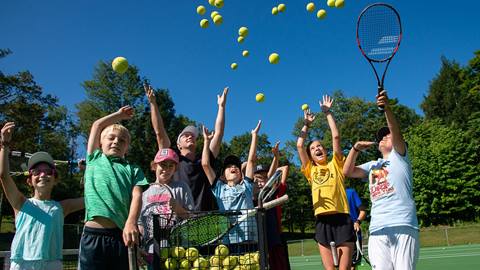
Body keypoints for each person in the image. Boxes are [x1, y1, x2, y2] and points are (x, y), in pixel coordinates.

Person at [343, 90, 419, 270]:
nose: (384, 137)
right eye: (382, 136)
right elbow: (347, 171)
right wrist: (355, 149)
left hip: (402, 224)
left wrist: (386, 108)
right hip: (377, 229)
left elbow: (395, 129)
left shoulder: (400, 156)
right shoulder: (373, 165)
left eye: (388, 135)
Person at [0, 122, 84, 270]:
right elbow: (3, 176)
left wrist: (88, 172)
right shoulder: (20, 203)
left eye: (48, 171)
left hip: (52, 264)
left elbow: (92, 199)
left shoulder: (62, 207)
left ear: (55, 179)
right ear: (29, 181)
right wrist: (4, 144)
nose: (43, 175)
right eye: (37, 172)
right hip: (22, 264)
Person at [78, 106, 149, 270]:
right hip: (92, 235)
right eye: (111, 138)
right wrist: (119, 115)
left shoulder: (133, 169)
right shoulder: (94, 158)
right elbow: (96, 125)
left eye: (122, 140)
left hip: (120, 236)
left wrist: (131, 222)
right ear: (100, 142)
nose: (116, 141)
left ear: (127, 148)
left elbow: (137, 196)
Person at [145, 83, 228, 211]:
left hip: (205, 218)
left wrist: (221, 107)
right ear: (178, 145)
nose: (190, 137)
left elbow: (219, 133)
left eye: (193, 136)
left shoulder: (205, 160)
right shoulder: (171, 161)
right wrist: (153, 104)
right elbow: (159, 133)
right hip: (180, 218)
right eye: (185, 135)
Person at [296, 95, 354, 270]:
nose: (317, 148)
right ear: (311, 156)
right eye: (313, 148)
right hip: (322, 222)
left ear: (325, 151)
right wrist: (306, 124)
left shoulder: (336, 164)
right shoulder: (310, 170)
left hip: (342, 218)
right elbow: (300, 145)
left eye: (319, 146)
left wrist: (327, 112)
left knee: (344, 269)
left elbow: (336, 136)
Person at [201, 121, 261, 244]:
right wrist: (206, 142)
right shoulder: (219, 188)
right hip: (229, 240)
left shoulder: (246, 186)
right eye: (228, 166)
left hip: (250, 238)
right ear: (223, 176)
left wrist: (254, 135)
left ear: (240, 173)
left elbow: (251, 161)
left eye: (236, 166)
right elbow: (205, 164)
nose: (233, 167)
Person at [138, 148, 194, 269]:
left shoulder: (181, 187)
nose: (166, 169)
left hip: (178, 250)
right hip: (151, 250)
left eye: (171, 166)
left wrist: (178, 209)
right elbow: (140, 225)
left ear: (175, 169)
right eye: (162, 165)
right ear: (154, 166)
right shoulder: (144, 192)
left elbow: (192, 218)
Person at [252, 142, 290, 270]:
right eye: (258, 177)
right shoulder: (250, 189)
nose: (261, 180)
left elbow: (275, 173)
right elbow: (245, 166)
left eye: (264, 177)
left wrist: (275, 157)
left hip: (273, 235)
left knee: (278, 264)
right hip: (256, 236)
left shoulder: (270, 189)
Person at [345, 186, 367, 269]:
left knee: (352, 266)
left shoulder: (351, 192)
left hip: (352, 234)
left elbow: (363, 210)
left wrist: (357, 222)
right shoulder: (331, 194)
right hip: (337, 234)